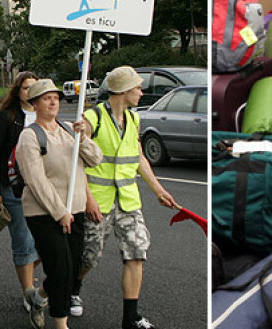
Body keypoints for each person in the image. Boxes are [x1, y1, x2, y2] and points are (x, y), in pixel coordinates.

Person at [71, 66, 178, 329]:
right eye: (137, 88)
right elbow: (77, 161)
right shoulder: (92, 117)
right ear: (122, 91)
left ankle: (130, 318)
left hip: (128, 200)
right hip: (98, 200)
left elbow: (138, 157)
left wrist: (158, 189)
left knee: (137, 252)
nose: (142, 93)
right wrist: (88, 199)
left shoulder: (134, 119)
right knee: (89, 257)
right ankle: (74, 285)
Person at [15, 79, 102, 329]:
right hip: (44, 213)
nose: (53, 101)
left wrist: (83, 136)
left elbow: (95, 160)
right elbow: (36, 180)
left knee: (71, 268)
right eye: (46, 98)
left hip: (75, 210)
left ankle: (40, 297)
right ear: (35, 104)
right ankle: (61, 324)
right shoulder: (29, 136)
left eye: (55, 97)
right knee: (61, 269)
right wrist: (59, 212)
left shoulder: (67, 130)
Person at [0, 71, 40, 311]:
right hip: (14, 189)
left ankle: (28, 273)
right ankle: (29, 293)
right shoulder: (8, 118)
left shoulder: (45, 115)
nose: (30, 92)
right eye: (26, 87)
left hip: (43, 190)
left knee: (45, 242)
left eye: (34, 87)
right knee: (24, 241)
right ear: (17, 91)